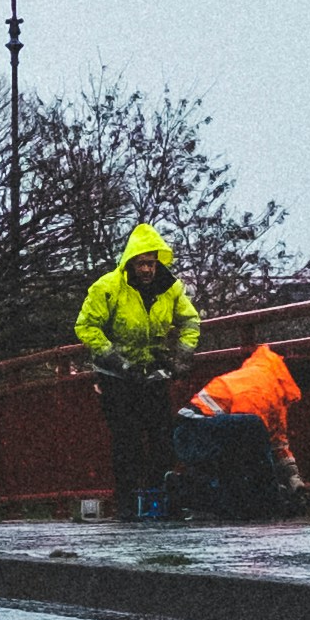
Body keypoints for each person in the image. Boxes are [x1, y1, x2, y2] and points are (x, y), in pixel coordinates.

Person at [73, 220, 202, 518]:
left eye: (151, 264)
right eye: (142, 263)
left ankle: (159, 501)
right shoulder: (107, 288)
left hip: (151, 373)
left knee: (162, 439)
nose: (147, 269)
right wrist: (114, 358)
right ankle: (129, 505)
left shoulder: (170, 289)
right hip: (117, 378)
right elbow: (86, 326)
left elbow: (190, 320)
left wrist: (182, 354)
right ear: (130, 261)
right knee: (127, 441)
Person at [174, 338, 307, 520]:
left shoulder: (271, 384)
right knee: (250, 434)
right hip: (196, 434)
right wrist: (272, 494)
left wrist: (294, 478)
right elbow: (250, 448)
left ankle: (191, 490)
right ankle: (187, 490)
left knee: (239, 498)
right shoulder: (261, 392)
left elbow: (278, 444)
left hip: (200, 432)